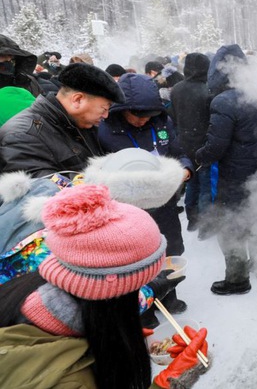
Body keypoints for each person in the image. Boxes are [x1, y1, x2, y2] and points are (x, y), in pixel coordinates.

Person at [0, 184, 209, 388]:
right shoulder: (69, 381)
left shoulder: (23, 294)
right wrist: (172, 382)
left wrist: (110, 334)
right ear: (114, 294)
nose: (140, 293)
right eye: (137, 287)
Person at [98, 73, 193, 317]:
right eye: (137, 115)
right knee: (138, 258)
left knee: (171, 250)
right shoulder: (105, 130)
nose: (142, 121)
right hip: (128, 209)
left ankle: (170, 296)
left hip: (164, 203)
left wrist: (185, 168)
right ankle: (146, 308)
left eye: (148, 115)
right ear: (123, 109)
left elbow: (178, 151)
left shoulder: (161, 122)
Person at [196, 44, 257, 295]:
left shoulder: (222, 102)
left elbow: (216, 147)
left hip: (235, 177)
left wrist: (199, 156)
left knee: (231, 226)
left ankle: (237, 280)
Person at [0, 63, 124, 176]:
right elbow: (43, 191)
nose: (106, 116)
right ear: (78, 100)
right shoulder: (23, 136)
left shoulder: (82, 124)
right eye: (104, 109)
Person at [169, 52, 213, 232]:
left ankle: (192, 221)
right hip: (203, 143)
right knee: (205, 186)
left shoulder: (177, 88)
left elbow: (173, 115)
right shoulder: (207, 90)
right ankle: (205, 226)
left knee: (191, 182)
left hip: (183, 141)